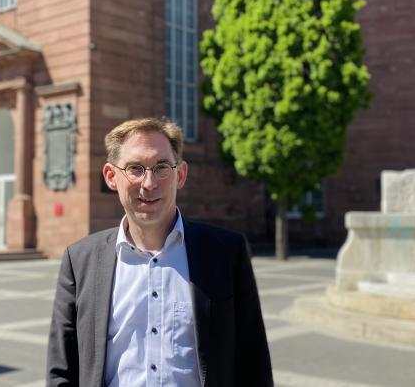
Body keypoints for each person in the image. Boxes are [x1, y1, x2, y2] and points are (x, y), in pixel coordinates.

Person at [46, 118, 273, 387]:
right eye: (135, 169)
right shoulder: (80, 260)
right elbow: (62, 370)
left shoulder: (226, 253)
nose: (149, 183)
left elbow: (253, 364)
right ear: (110, 176)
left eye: (162, 167)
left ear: (181, 174)